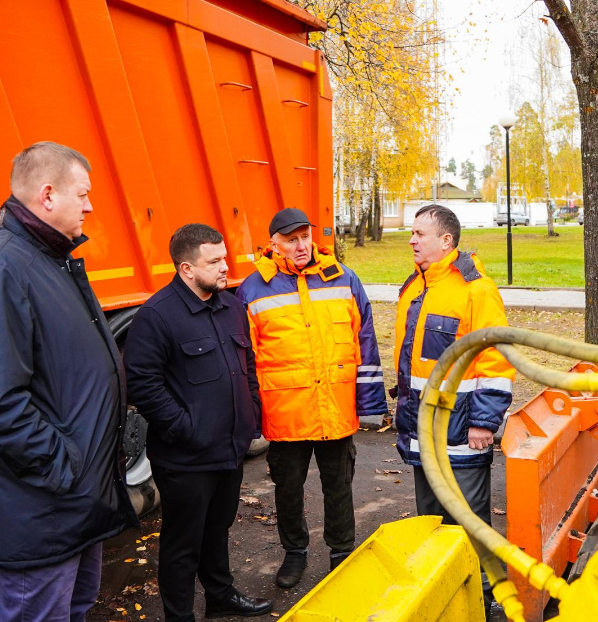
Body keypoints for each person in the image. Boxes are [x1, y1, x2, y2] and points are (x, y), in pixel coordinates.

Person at [0, 142, 138, 622]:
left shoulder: (50, 260)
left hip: (73, 505)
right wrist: (68, 471)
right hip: (45, 509)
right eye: (84, 194)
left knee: (74, 609)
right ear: (49, 195)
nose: (91, 205)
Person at [124, 224, 271, 622]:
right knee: (182, 543)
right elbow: (142, 383)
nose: (227, 266)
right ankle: (179, 616)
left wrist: (252, 411)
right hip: (187, 457)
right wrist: (186, 428)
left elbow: (248, 364)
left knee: (217, 529)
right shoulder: (157, 316)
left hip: (229, 448)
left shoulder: (231, 306)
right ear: (187, 269)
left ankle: (220, 597)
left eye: (224, 256)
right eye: (215, 261)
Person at [237, 208, 386, 588]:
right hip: (285, 414)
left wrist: (369, 404)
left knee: (339, 484)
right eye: (291, 240)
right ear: (274, 244)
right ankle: (295, 553)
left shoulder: (343, 278)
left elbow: (364, 341)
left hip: (334, 407)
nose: (301, 245)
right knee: (288, 488)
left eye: (305, 237)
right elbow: (246, 360)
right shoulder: (252, 289)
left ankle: (342, 552)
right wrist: (251, 419)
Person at [392, 204, 514, 618]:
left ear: (446, 241)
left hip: (462, 430)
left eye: (419, 234)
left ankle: (485, 597)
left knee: (469, 520)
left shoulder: (477, 290)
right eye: (411, 233)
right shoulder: (415, 286)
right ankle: (443, 592)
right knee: (431, 518)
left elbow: (495, 360)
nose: (411, 240)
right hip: (422, 429)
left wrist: (484, 421)